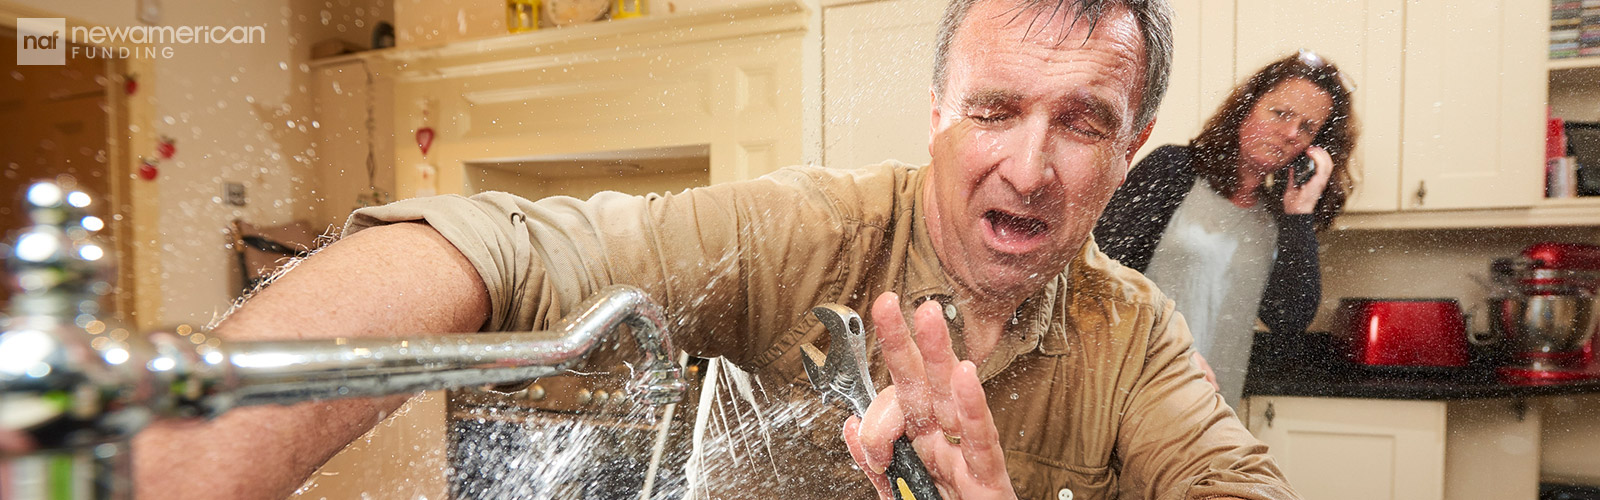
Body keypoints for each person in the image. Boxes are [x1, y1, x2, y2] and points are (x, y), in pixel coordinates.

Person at [128, 0, 1300, 499]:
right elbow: (508, 246)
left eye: (1083, 123)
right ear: (938, 113)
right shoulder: (815, 233)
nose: (1031, 168)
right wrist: (197, 449)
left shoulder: (1130, 334)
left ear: (1134, 142)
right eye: (996, 110)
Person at [1092, 51, 1359, 407]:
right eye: (1281, 114)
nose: (1291, 133)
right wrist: (1168, 354)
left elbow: (1289, 318)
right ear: (1247, 108)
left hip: (1215, 408)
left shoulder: (1278, 216)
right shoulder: (1172, 169)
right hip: (1127, 395)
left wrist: (1299, 215)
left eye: (1308, 128)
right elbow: (1097, 277)